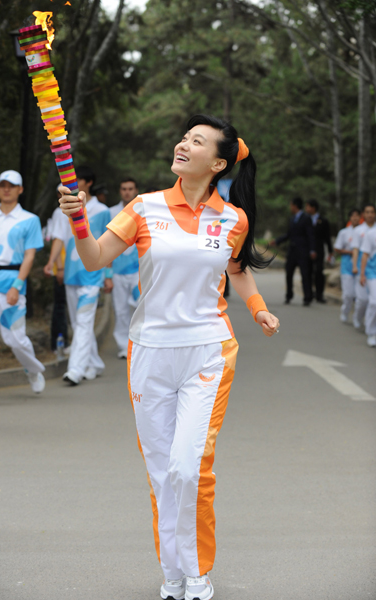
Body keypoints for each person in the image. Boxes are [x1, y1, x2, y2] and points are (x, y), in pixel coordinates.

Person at [58, 114, 280, 600]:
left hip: (207, 351)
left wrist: (258, 309)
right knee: (162, 473)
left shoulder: (233, 218)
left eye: (196, 141)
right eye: (184, 137)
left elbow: (236, 269)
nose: (183, 144)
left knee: (189, 467)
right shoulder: (144, 208)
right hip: (151, 354)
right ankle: (174, 575)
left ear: (218, 163)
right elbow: (95, 258)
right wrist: (77, 218)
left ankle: (198, 574)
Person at [0, 170, 45, 408]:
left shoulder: (29, 220)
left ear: (20, 189)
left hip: (12, 282)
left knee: (15, 338)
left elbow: (29, 256)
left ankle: (32, 368)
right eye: (3, 185)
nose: (7, 189)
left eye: (12, 185)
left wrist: (18, 285)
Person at [44, 166, 113, 385]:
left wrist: (108, 274)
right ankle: (93, 363)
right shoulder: (63, 208)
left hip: (92, 273)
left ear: (88, 183)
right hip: (72, 274)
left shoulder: (102, 210)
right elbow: (59, 239)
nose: (72, 183)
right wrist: (53, 263)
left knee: (83, 321)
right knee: (78, 322)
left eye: (77, 180)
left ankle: (75, 369)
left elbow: (109, 242)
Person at [109, 178, 140, 358]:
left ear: (135, 190)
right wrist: (107, 273)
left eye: (130, 189)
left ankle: (138, 343)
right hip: (117, 271)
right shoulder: (111, 212)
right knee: (120, 309)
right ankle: (123, 346)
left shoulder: (143, 210)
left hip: (139, 270)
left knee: (139, 307)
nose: (127, 192)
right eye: (124, 189)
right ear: (120, 191)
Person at [272, 197, 316, 306]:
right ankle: (289, 295)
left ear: (295, 206)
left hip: (303, 251)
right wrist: (277, 241)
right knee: (289, 273)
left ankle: (307, 297)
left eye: (291, 205)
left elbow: (311, 235)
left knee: (305, 274)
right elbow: (289, 234)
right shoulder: (292, 219)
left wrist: (312, 250)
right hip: (292, 251)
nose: (290, 207)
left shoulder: (306, 218)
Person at [44, 185, 69, 352]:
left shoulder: (71, 211)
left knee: (65, 306)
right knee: (60, 306)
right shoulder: (59, 212)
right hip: (63, 268)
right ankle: (58, 342)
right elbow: (57, 239)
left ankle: (63, 340)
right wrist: (58, 267)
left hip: (72, 269)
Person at [334, 208, 361, 323]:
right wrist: (351, 252)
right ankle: (345, 312)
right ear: (350, 218)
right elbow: (337, 248)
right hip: (347, 266)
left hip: (361, 267)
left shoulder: (363, 232)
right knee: (348, 294)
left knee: (360, 296)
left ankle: (357, 317)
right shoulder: (344, 232)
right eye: (353, 216)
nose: (355, 218)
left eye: (357, 216)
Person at [352, 204, 376, 330]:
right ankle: (357, 318)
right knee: (362, 299)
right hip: (363, 268)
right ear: (364, 214)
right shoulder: (358, 230)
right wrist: (355, 266)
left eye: (372, 212)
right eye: (367, 212)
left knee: (372, 301)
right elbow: (356, 250)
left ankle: (369, 324)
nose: (370, 214)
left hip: (372, 269)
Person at [305, 199, 333, 303]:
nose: (306, 209)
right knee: (308, 272)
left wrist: (330, 251)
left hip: (319, 250)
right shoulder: (305, 219)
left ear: (313, 208)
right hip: (307, 250)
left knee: (319, 272)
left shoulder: (323, 221)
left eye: (308, 206)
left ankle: (319, 294)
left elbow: (327, 237)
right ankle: (309, 293)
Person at [359, 216, 376, 347]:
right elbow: (365, 254)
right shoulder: (371, 234)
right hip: (372, 272)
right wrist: (362, 274)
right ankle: (371, 332)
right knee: (374, 302)